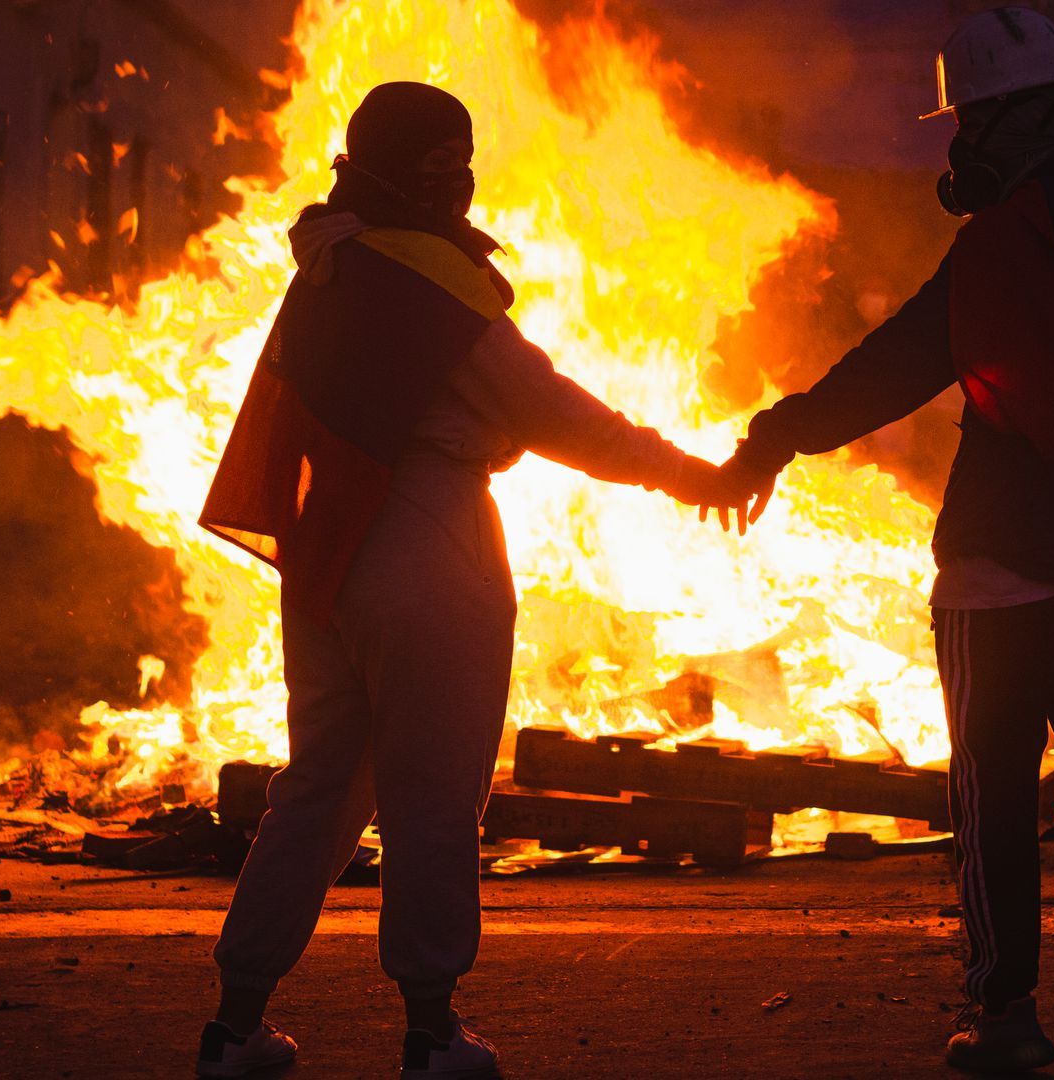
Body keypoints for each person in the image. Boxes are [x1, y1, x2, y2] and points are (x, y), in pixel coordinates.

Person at [194, 82, 744, 1079]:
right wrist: (691, 474)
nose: (458, 183)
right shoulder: (428, 282)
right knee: (435, 800)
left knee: (314, 792)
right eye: (441, 164)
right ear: (404, 171)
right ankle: (432, 1032)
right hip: (431, 541)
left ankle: (234, 1027)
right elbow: (559, 417)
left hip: (328, 554)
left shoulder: (327, 263)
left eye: (463, 158)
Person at [716, 8, 1054, 1073]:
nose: (959, 147)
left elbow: (904, 360)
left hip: (1002, 567)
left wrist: (776, 436)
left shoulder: (1008, 233)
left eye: (971, 119)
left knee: (991, 794)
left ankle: (1007, 1016)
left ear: (1019, 116)